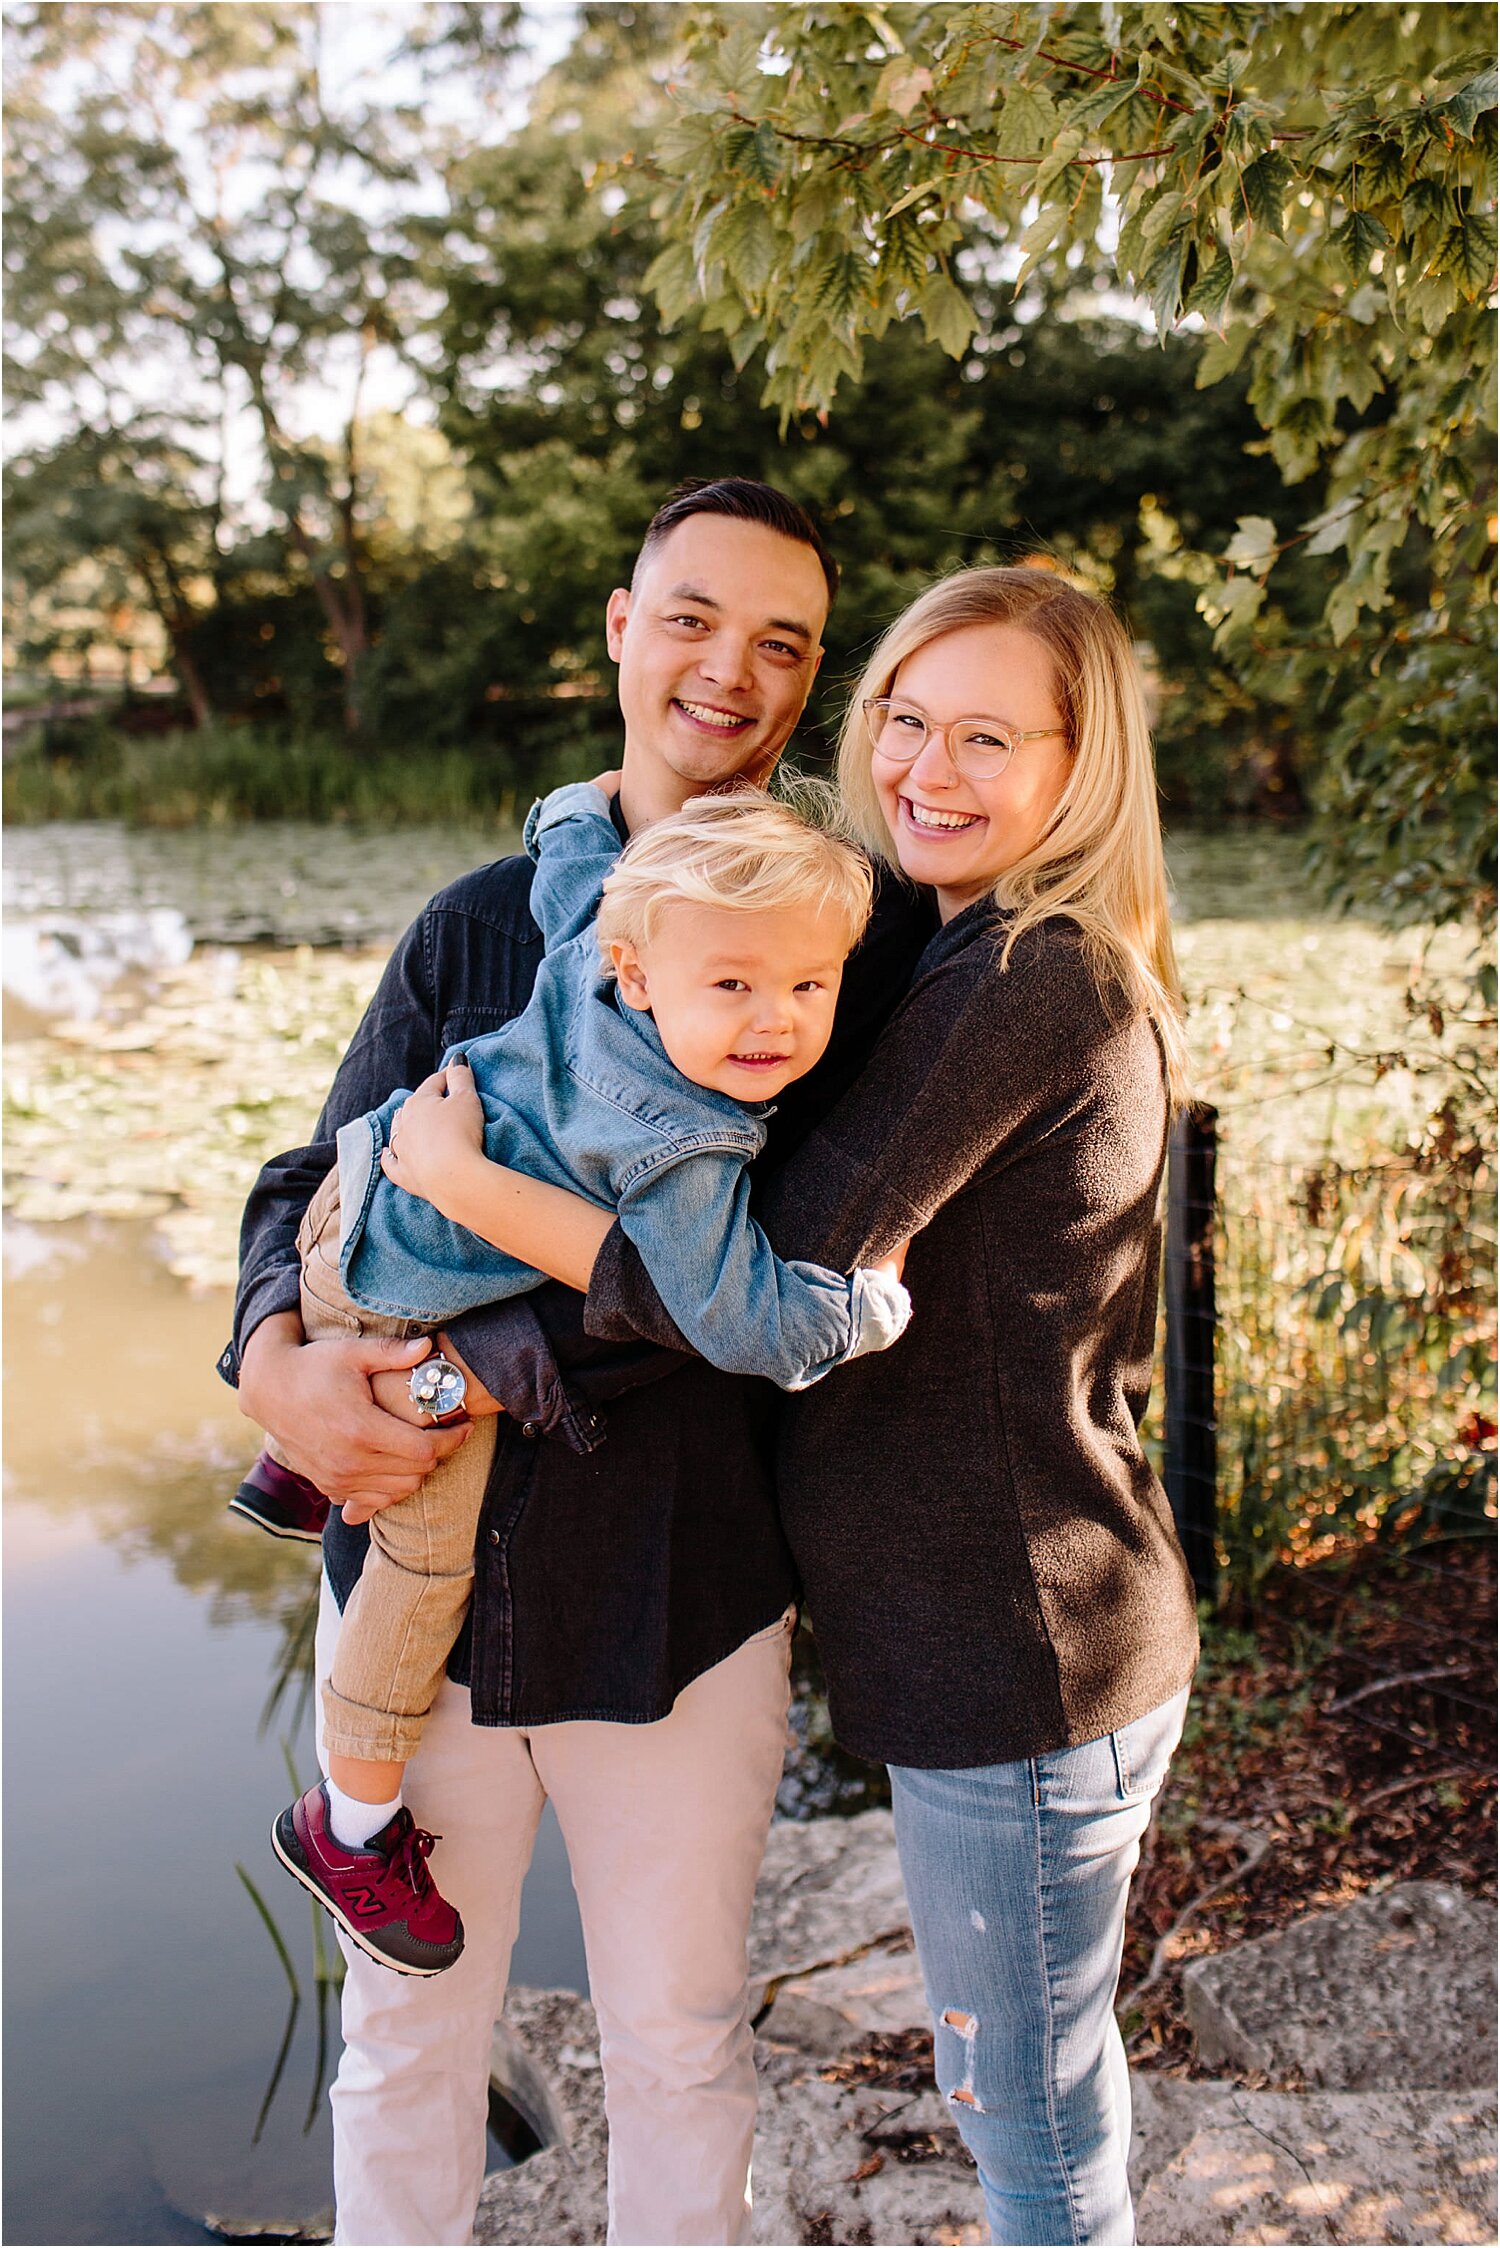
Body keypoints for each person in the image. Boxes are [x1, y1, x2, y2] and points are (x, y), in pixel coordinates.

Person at [222, 476, 938, 2247]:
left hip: (680, 1592)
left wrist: (480, 1347)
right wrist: (270, 1359)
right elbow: (314, 1178)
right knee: (402, 2031)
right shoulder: (481, 919)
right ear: (622, 627)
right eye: (693, 616)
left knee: (684, 2039)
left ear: (814, 683)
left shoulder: (843, 942)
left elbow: (754, 1307)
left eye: (784, 643)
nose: (731, 669)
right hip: (416, 1587)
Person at [505, 564, 1202, 2246]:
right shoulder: (960, 947)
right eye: (903, 715)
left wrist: (469, 1179)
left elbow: (774, 1273)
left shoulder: (1025, 973)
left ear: (1077, 763)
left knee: (1023, 2121)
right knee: (1042, 2085)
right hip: (1000, 1638)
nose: (925, 767)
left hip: (1014, 1650)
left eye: (986, 736)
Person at [257, 785, 906, 1976]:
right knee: (419, 1567)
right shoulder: (686, 1147)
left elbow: (571, 865)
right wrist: (862, 1306)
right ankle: (344, 1825)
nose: (777, 1021)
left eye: (811, 985)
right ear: (646, 970)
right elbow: (739, 1319)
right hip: (397, 1297)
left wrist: (569, 810)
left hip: (354, 1202)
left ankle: (293, 1469)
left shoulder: (586, 956)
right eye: (737, 985)